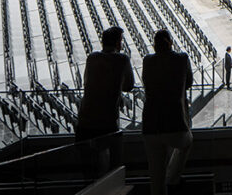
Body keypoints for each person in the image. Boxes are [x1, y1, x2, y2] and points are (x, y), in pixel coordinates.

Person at [75, 26, 134, 180]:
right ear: (117, 43)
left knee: (88, 171)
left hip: (84, 121)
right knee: (113, 169)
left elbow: (86, 81)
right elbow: (129, 86)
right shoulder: (122, 59)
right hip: (106, 122)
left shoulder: (92, 58)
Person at [142, 30, 194, 195]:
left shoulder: (147, 61)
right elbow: (188, 83)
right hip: (175, 123)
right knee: (187, 141)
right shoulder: (182, 58)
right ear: (170, 42)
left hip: (150, 125)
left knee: (156, 179)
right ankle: (172, 178)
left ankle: (166, 181)